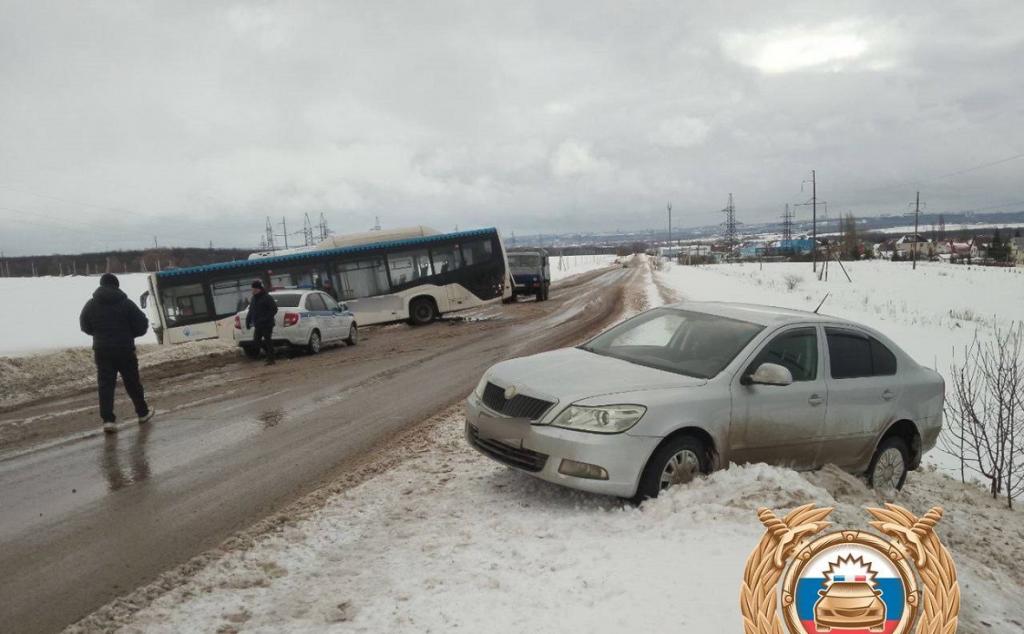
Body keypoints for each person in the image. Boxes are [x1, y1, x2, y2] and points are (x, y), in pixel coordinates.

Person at [79, 273, 154, 434]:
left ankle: (108, 420)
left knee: (105, 385)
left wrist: (99, 334)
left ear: (101, 285)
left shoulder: (91, 305)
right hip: (124, 348)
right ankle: (142, 413)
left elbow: (84, 325)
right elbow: (142, 324)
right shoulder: (126, 304)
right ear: (116, 285)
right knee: (132, 381)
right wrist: (130, 334)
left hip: (102, 350)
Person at [246, 280, 278, 365]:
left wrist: (265, 318)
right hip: (258, 324)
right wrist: (248, 320)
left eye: (253, 289)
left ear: (258, 289)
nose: (252, 290)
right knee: (256, 341)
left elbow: (274, 309)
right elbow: (251, 310)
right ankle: (270, 353)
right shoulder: (253, 299)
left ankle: (271, 359)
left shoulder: (267, 297)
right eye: (252, 289)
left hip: (267, 324)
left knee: (267, 340)